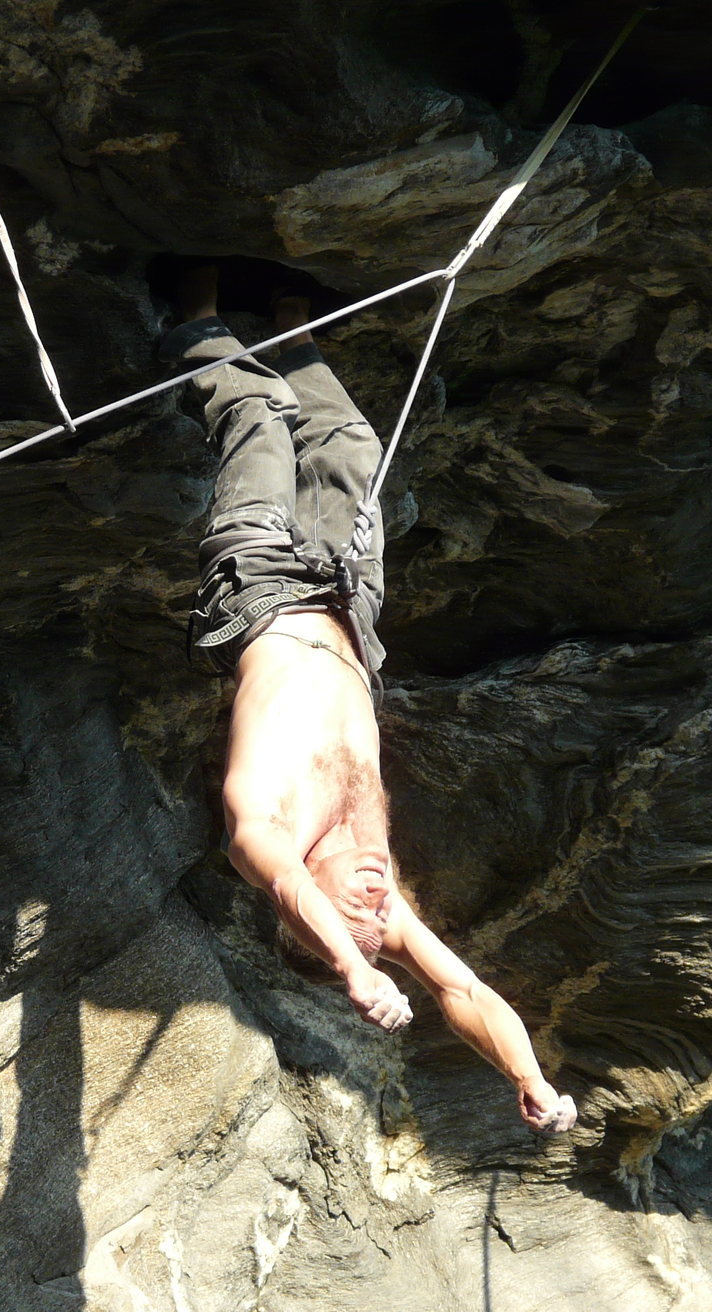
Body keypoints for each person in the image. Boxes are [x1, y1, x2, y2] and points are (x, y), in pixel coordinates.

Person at [167, 265, 576, 1134]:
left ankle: (192, 310)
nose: (378, 899)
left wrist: (357, 970)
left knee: (260, 429)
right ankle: (290, 325)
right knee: (350, 447)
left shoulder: (266, 833)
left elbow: (290, 898)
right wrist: (527, 1076)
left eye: (356, 913)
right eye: (378, 919)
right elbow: (463, 988)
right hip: (351, 610)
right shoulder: (382, 904)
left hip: (262, 593)